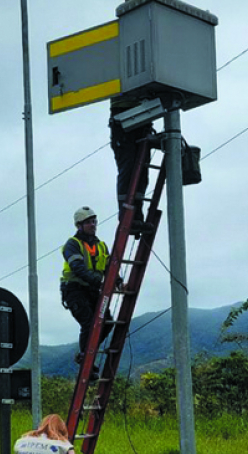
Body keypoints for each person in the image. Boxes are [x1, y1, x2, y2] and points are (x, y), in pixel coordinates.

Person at [61, 206, 115, 379]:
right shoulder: (72, 244)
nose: (93, 225)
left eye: (94, 221)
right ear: (79, 225)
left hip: (93, 290)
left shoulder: (101, 246)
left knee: (107, 323)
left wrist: (118, 281)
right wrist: (99, 281)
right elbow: (77, 268)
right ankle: (87, 361)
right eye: (89, 222)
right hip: (74, 289)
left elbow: (109, 267)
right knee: (89, 323)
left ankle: (86, 354)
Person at [109, 99, 156, 237]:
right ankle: (126, 216)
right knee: (128, 171)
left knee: (142, 174)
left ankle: (137, 216)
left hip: (144, 115)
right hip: (123, 117)